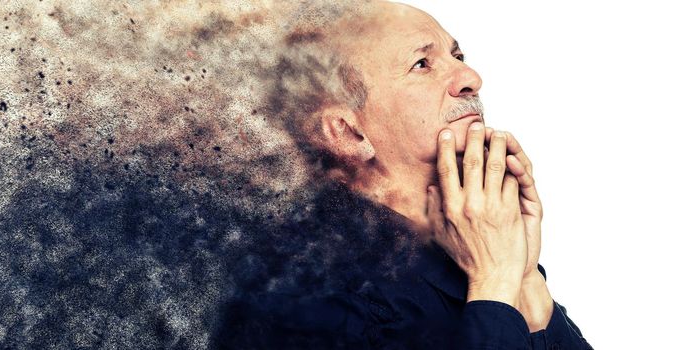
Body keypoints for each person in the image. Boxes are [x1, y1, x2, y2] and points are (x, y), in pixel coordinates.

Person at [213, 1, 594, 348]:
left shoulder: (482, 242)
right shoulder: (296, 296)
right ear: (346, 131)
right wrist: (493, 285)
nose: (471, 77)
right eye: (422, 64)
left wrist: (525, 277)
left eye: (457, 54)